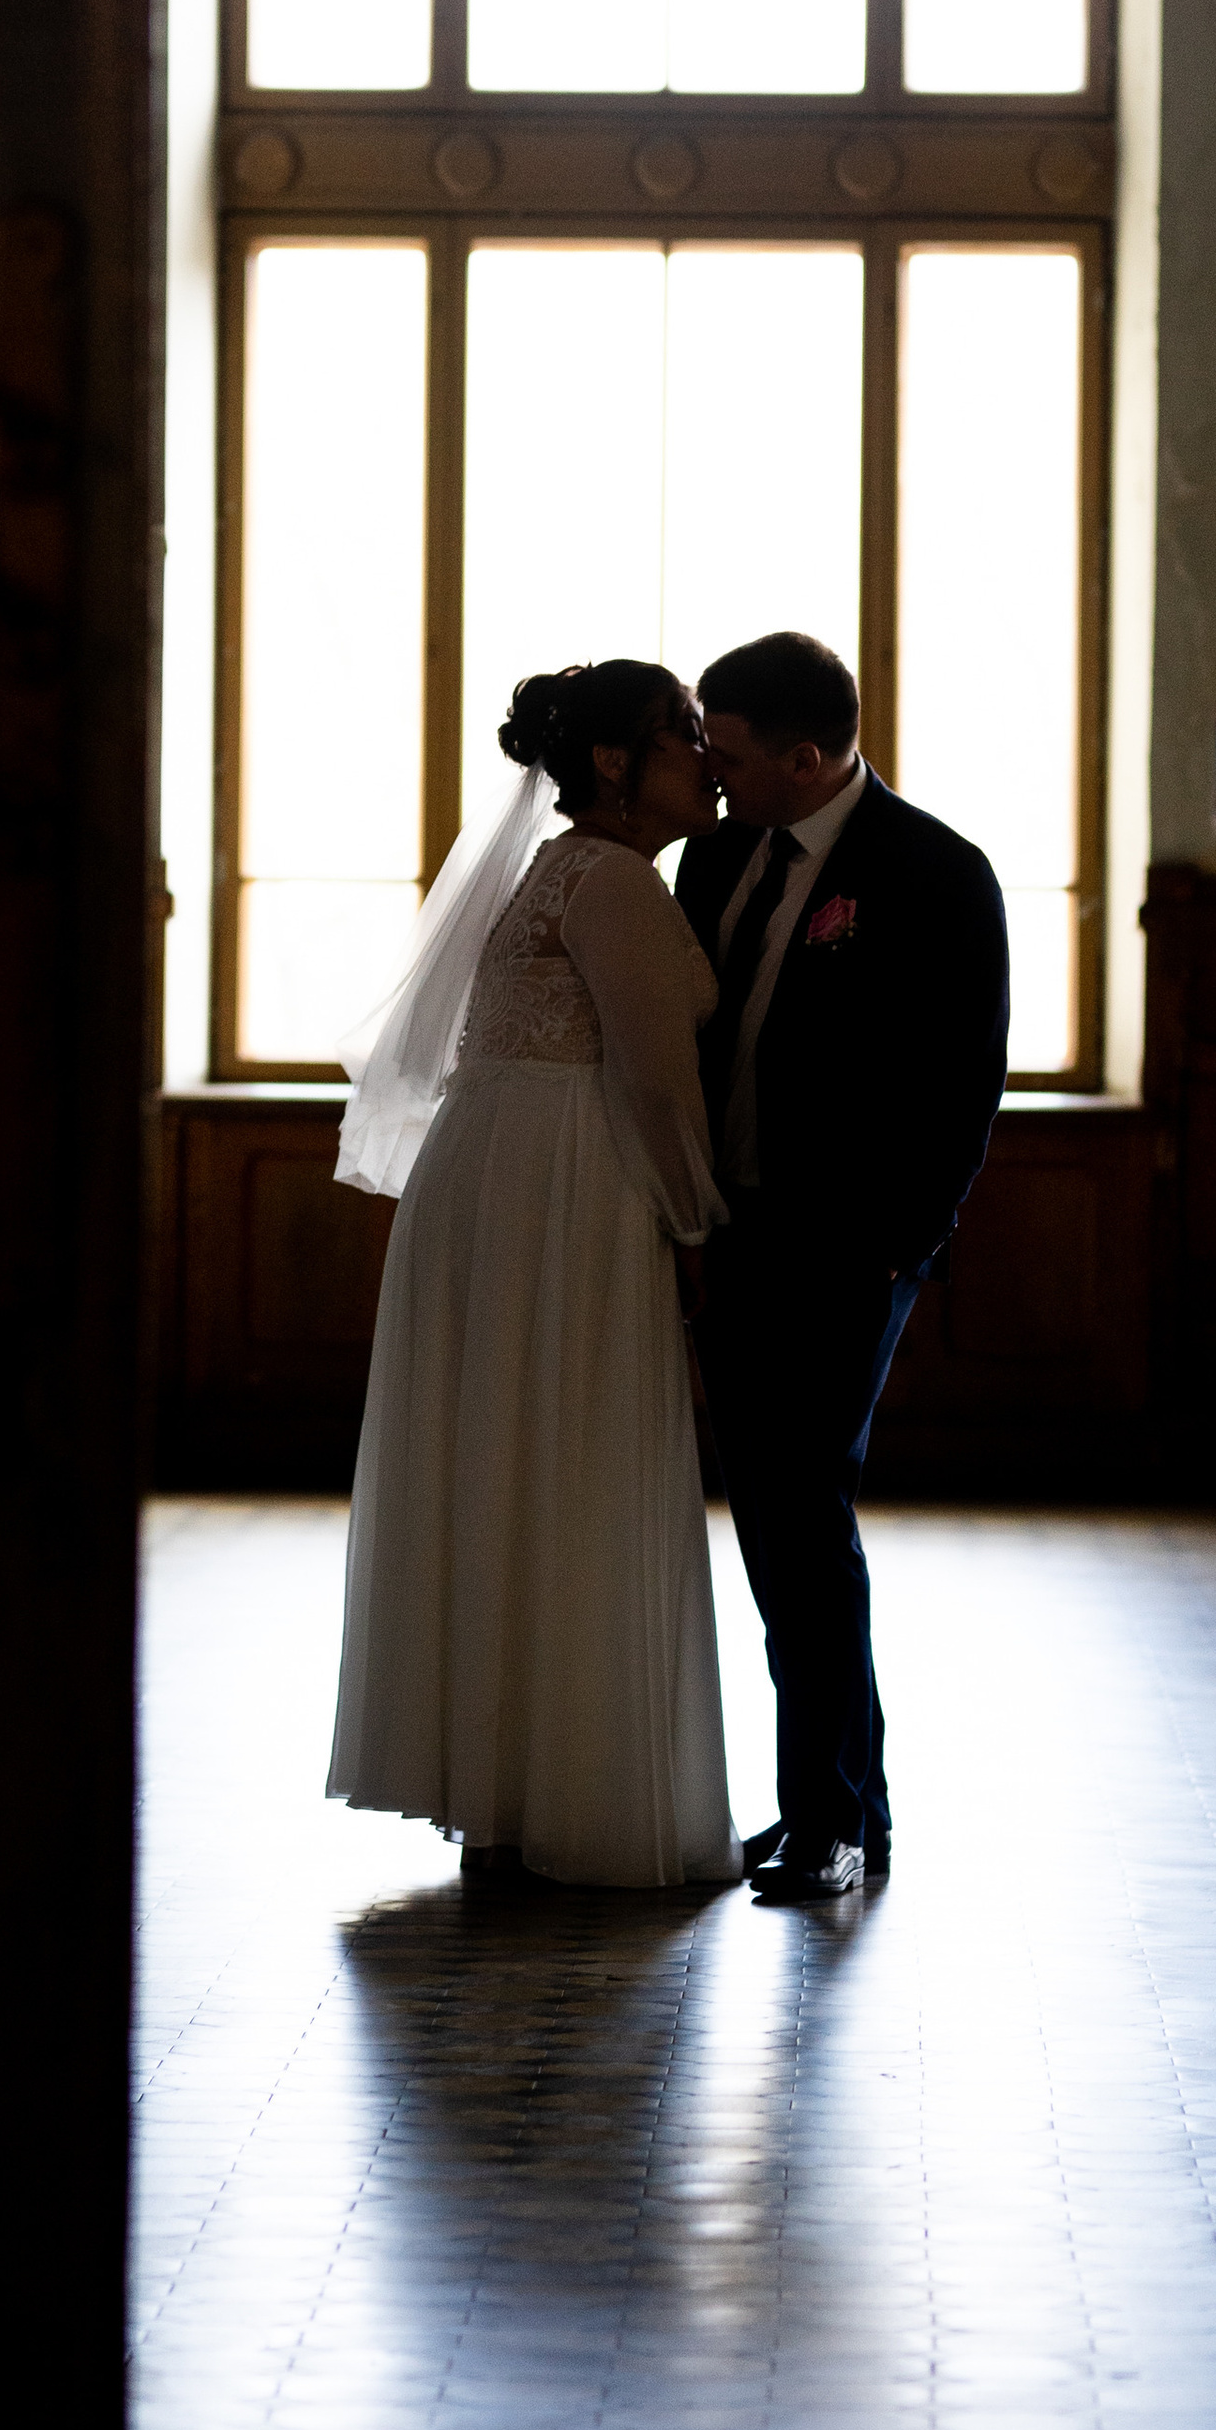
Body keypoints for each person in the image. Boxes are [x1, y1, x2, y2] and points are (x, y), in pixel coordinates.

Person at [328, 660, 739, 1890]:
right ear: (614, 765)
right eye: (683, 740)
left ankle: (507, 1790)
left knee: (506, 1463)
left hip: (502, 1175)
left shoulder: (555, 870)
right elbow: (656, 1082)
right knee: (575, 1461)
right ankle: (572, 1792)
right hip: (570, 1179)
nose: (706, 762)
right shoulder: (608, 880)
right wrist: (695, 1223)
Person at [677, 630, 1009, 1904]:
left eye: (730, 752)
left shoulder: (932, 875)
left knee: (798, 1514)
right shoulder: (708, 861)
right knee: (777, 1514)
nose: (710, 772)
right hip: (726, 1238)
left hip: (848, 1254)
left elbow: (958, 1091)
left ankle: (825, 1817)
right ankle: (838, 1801)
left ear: (806, 758)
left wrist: (892, 1255)